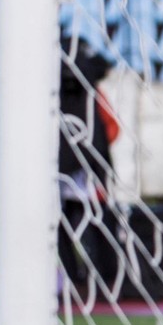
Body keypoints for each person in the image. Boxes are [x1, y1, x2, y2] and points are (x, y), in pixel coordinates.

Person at [57, 35, 122, 294]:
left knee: (62, 223)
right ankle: (102, 277)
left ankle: (77, 277)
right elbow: (113, 128)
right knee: (95, 220)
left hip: (63, 166)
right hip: (90, 164)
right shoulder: (93, 92)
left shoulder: (51, 95)